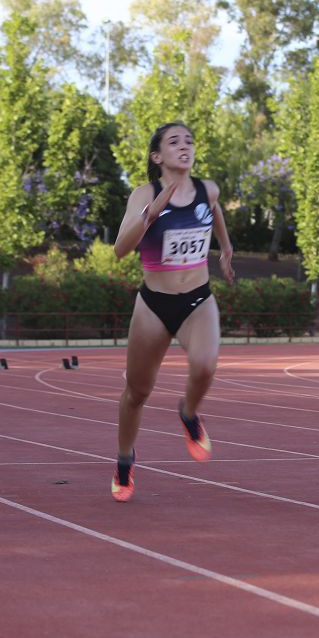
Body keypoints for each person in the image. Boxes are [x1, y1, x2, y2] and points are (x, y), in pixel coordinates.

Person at [109, 122, 235, 502]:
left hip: (197, 298)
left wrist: (225, 248)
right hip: (154, 303)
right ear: (157, 156)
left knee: (206, 365)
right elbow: (119, 249)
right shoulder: (144, 194)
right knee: (137, 392)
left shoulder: (206, 189)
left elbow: (214, 211)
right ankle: (125, 461)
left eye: (190, 141)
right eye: (174, 142)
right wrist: (149, 213)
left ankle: (188, 412)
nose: (185, 147)